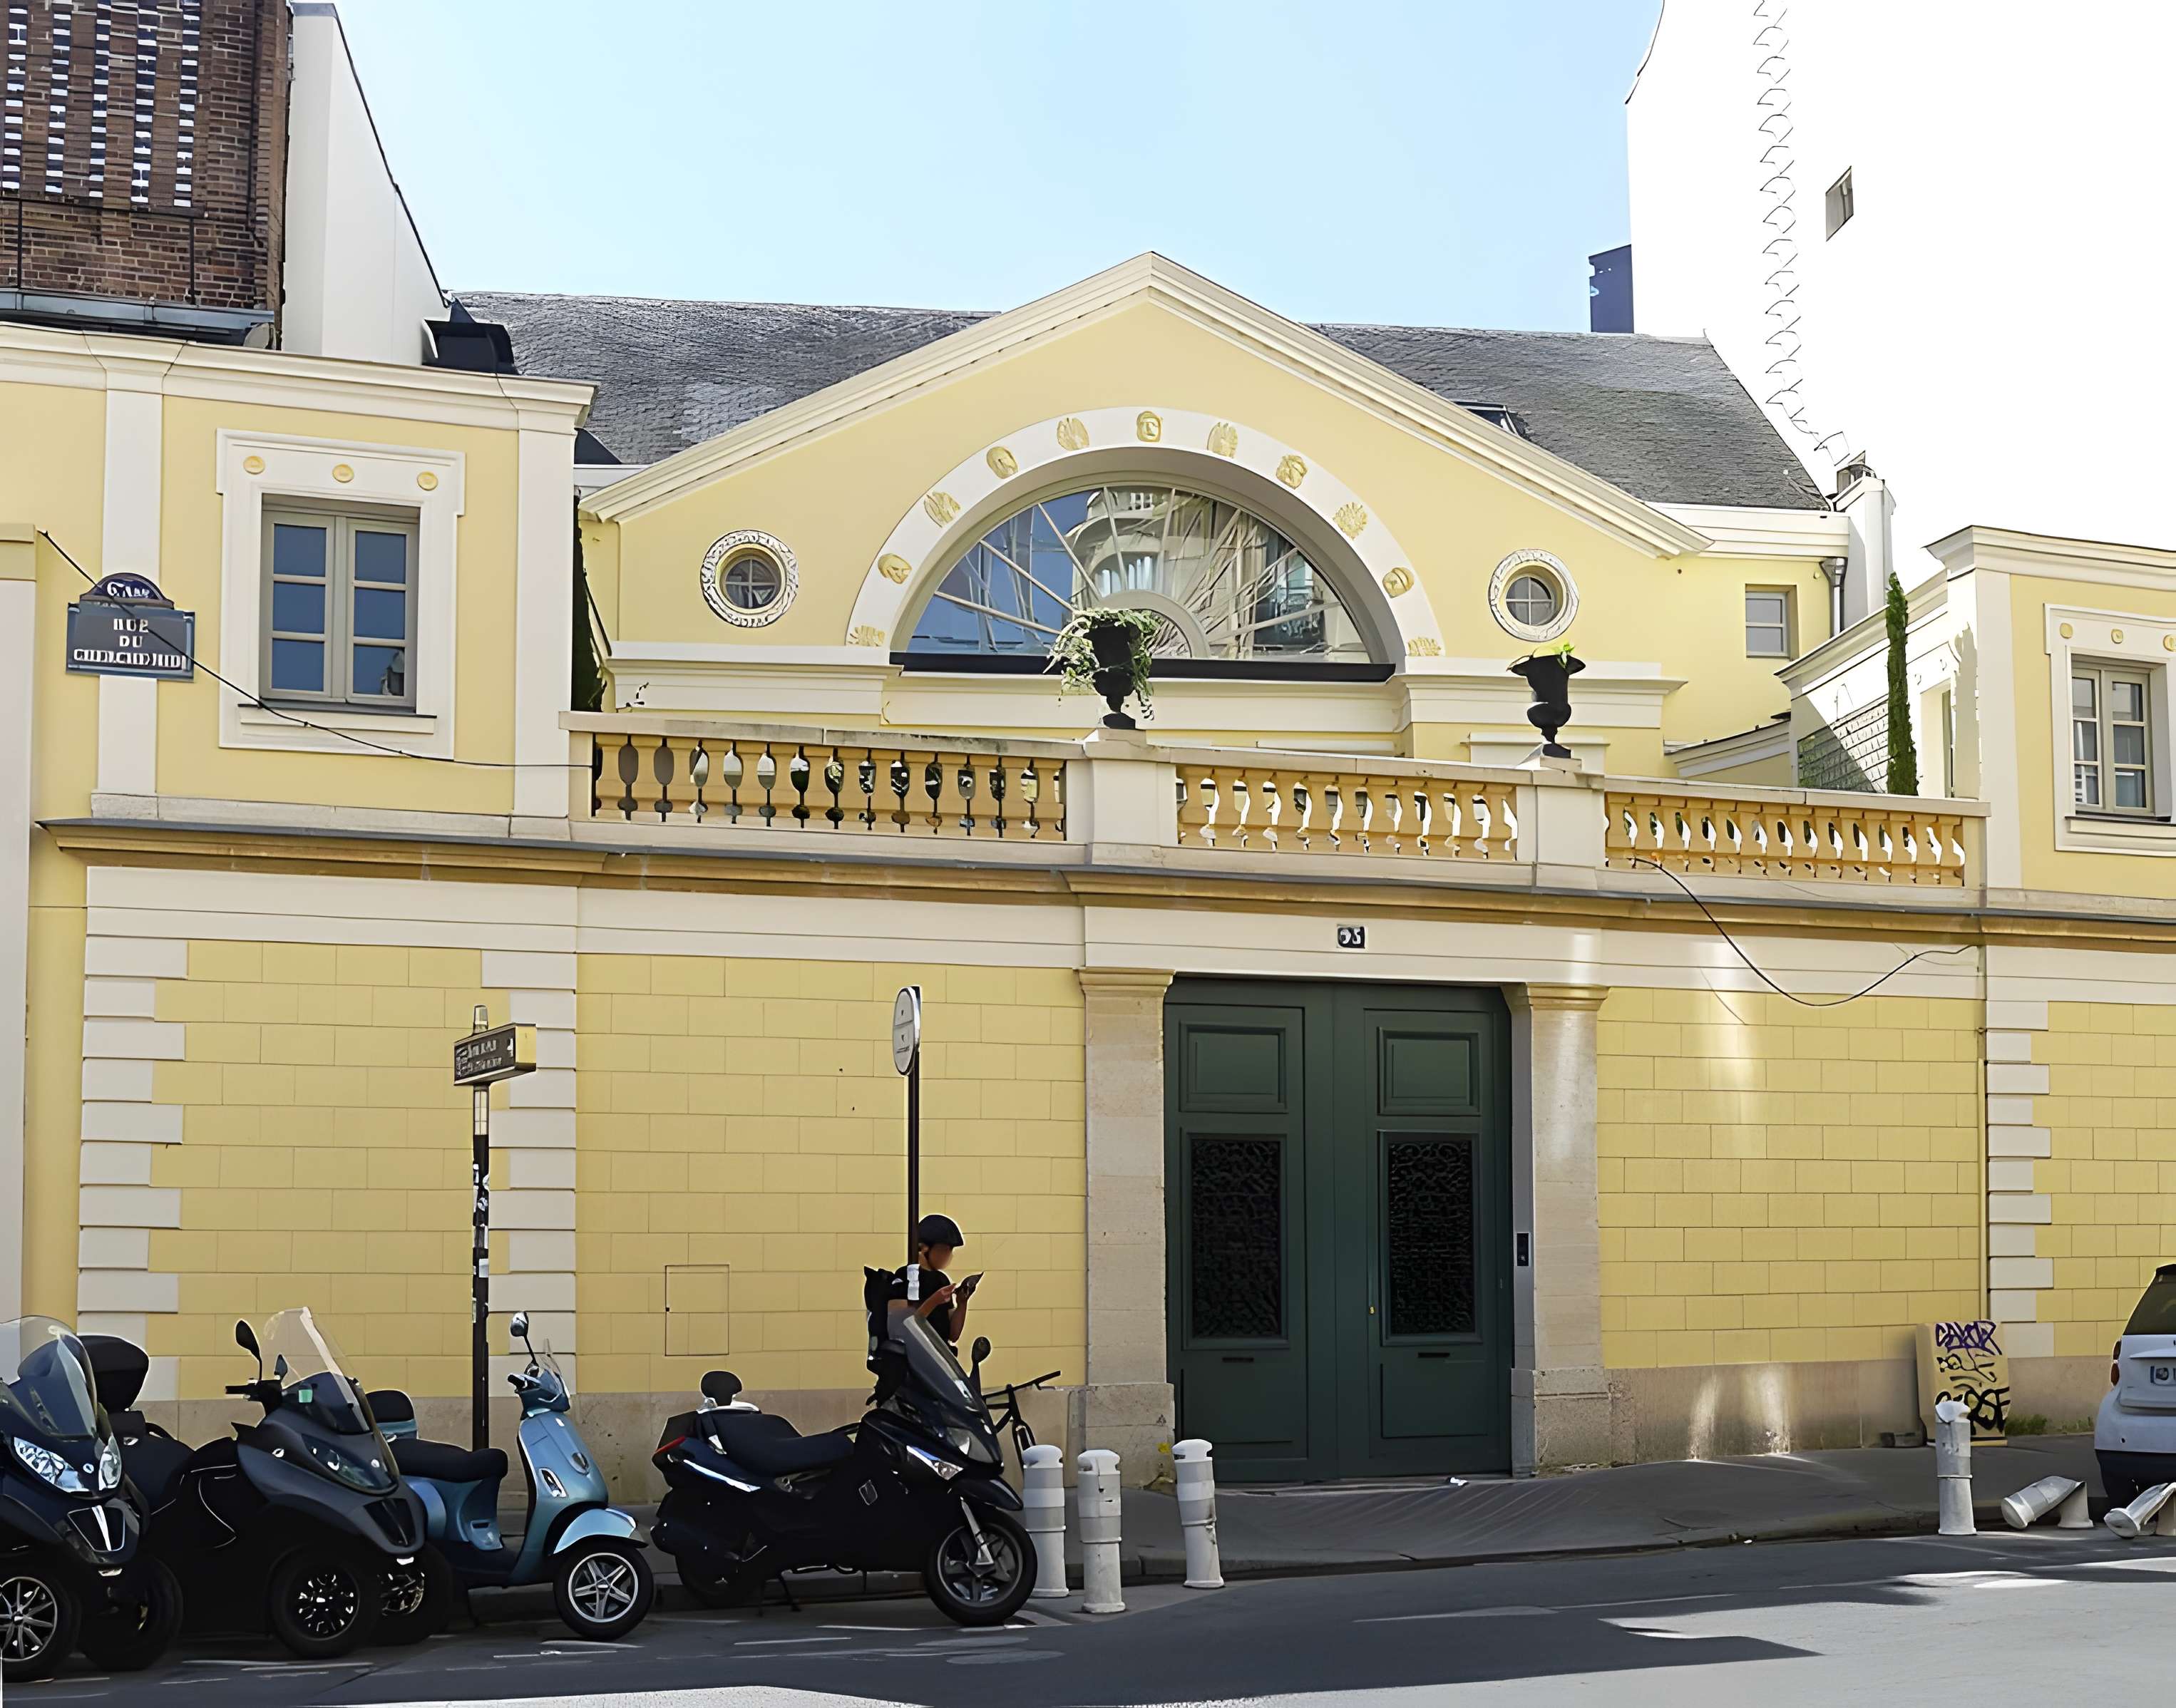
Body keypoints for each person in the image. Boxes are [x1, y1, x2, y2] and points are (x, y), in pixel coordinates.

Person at [887, 1213, 973, 1347]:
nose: (947, 1256)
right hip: (917, 1359)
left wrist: (962, 1304)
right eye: (944, 1250)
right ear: (923, 1248)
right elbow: (904, 1327)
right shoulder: (905, 1276)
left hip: (939, 1358)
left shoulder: (941, 1280)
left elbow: (953, 1335)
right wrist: (934, 1301)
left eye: (950, 1251)